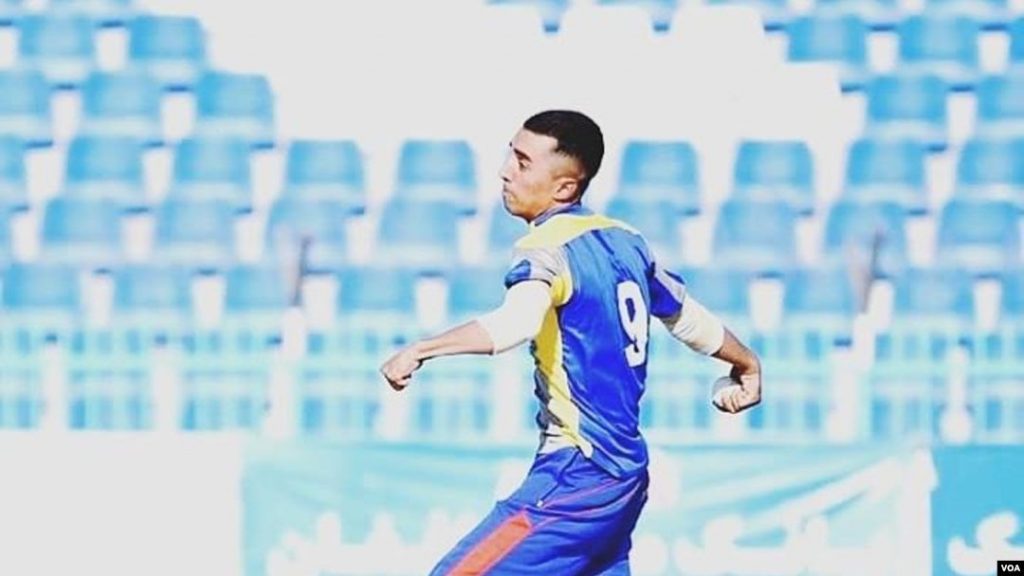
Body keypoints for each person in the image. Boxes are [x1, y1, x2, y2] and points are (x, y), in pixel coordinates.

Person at [380, 110, 762, 575]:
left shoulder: (548, 248)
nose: (505, 171)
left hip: (579, 474)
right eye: (510, 154)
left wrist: (422, 349)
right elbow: (686, 316)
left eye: (522, 162)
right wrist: (747, 363)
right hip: (624, 478)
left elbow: (516, 322)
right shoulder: (627, 241)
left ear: (564, 188)